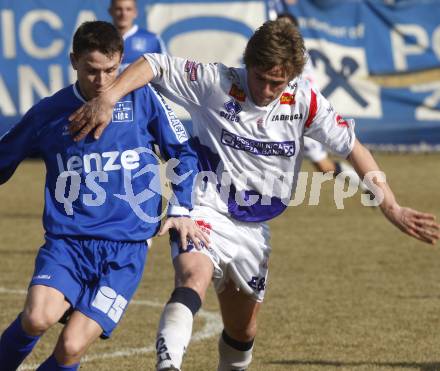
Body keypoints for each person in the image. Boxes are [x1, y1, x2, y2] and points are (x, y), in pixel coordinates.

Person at [68, 20, 440, 371]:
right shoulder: (216, 81)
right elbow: (153, 63)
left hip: (254, 226)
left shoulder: (306, 101)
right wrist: (109, 96)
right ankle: (169, 364)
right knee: (192, 276)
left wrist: (390, 205)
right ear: (248, 64)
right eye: (260, 79)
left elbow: (352, 147)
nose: (265, 91)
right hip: (205, 203)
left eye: (276, 83)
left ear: (291, 77)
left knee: (243, 331)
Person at [0, 21, 206, 371]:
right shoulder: (49, 111)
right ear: (73, 61)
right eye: (91, 70)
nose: (101, 80)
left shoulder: (143, 99)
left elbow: (184, 154)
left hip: (125, 253)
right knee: (36, 317)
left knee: (71, 346)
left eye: (110, 70)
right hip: (67, 244)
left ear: (122, 61)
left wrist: (182, 205)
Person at [276, 12, 368, 190]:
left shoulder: (295, 55)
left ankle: (364, 182)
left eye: (287, 27)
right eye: (279, 26)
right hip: (287, 116)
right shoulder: (281, 53)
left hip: (301, 116)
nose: (282, 31)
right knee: (323, 166)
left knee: (324, 166)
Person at [109, 0, 166, 72]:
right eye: (118, 9)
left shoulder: (153, 39)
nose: (123, 14)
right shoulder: (101, 38)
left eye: (128, 9)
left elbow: (165, 70)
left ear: (135, 12)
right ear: (110, 11)